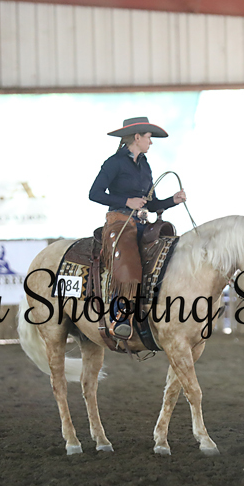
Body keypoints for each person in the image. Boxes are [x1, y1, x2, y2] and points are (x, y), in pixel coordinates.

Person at [89, 117, 187, 340]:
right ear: (137, 137)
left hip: (142, 223)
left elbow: (151, 204)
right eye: (148, 138)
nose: (150, 142)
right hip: (119, 222)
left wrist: (172, 200)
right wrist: (127, 201)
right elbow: (94, 193)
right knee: (128, 263)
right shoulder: (114, 163)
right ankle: (119, 318)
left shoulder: (145, 165)